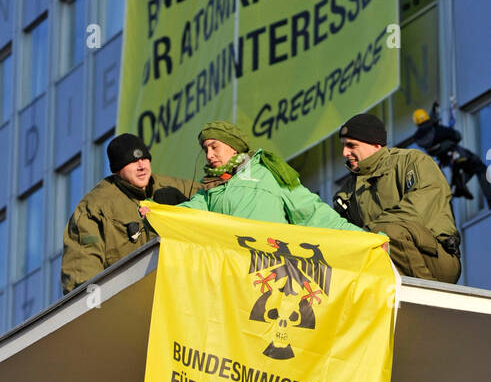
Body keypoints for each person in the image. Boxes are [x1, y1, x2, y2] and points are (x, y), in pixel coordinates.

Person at [142, 120, 365, 234]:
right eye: (205, 149)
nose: (209, 155)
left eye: (213, 146)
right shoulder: (210, 188)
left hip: (272, 267)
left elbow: (311, 212)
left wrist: (362, 239)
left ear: (231, 146)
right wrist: (156, 212)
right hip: (232, 271)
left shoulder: (267, 170)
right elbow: (187, 215)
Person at [332, 112, 461, 283]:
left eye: (351, 145)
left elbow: (418, 209)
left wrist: (368, 234)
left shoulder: (413, 162)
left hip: (434, 257)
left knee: (389, 232)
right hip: (383, 263)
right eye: (343, 146)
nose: (344, 152)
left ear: (375, 145)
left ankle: (425, 295)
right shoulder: (346, 193)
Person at [61, 133, 195, 294]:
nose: (141, 166)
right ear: (117, 170)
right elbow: (82, 274)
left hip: (184, 291)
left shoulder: (175, 187)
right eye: (132, 161)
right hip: (132, 302)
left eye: (144, 159)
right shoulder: (94, 208)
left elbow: (216, 196)